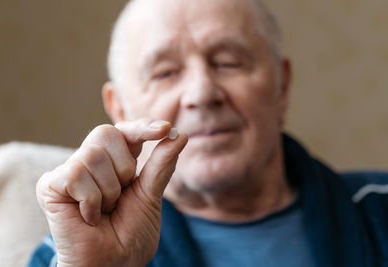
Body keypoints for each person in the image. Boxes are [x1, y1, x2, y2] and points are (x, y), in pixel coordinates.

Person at [29, 0, 388, 266]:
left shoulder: (379, 209)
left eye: (228, 63)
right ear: (119, 108)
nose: (202, 94)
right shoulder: (68, 253)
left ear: (281, 86)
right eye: (166, 73)